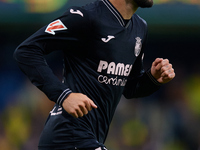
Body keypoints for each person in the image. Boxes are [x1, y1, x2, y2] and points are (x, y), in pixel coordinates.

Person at [14, 0, 175, 149]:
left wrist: (153, 79)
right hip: (67, 136)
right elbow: (26, 50)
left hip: (91, 138)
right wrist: (63, 95)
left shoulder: (140, 28)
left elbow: (130, 88)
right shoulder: (85, 18)